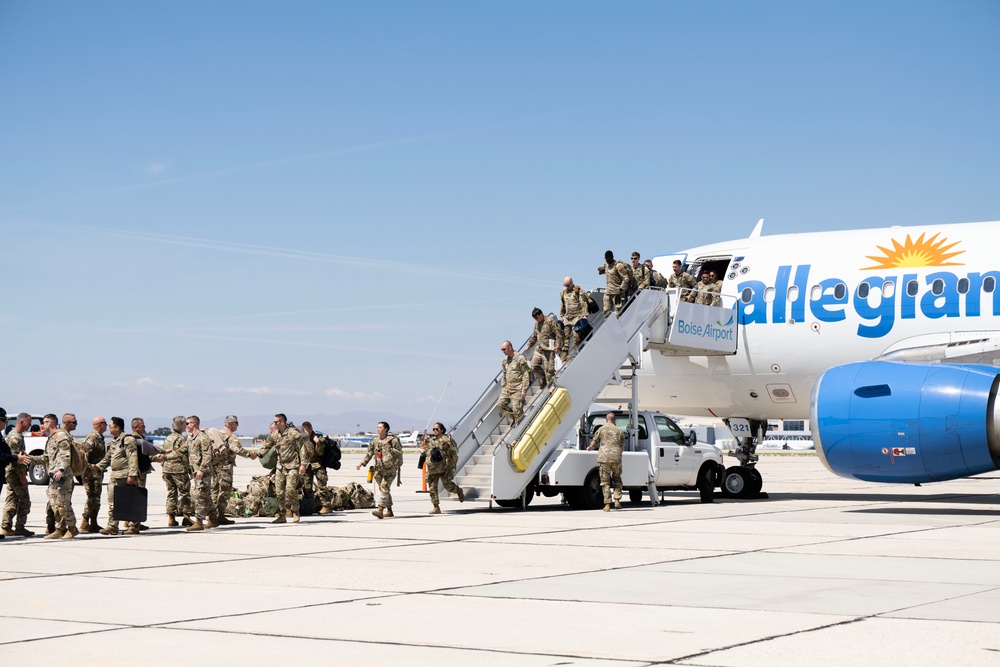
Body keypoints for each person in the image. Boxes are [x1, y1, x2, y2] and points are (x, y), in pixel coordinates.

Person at [94, 417, 140, 535]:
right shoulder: (114, 442)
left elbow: (133, 457)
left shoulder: (128, 440)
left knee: (130, 501)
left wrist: (132, 474)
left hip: (125, 476)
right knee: (113, 501)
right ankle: (112, 526)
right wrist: (98, 467)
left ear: (117, 427)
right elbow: (108, 458)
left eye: (110, 426)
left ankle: (133, 526)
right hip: (115, 476)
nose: (109, 428)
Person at [258, 413, 305, 524]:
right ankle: (282, 515)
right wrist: (257, 454)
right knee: (279, 492)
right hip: (280, 466)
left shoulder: (293, 434)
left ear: (282, 422)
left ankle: (295, 510)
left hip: (292, 466)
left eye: (276, 422)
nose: (274, 424)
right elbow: (267, 446)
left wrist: (303, 465)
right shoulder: (274, 435)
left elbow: (302, 449)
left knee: (290, 489)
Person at [212, 415, 256, 524]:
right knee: (225, 491)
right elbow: (237, 449)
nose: (238, 425)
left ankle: (212, 515)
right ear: (230, 424)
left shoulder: (218, 434)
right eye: (236, 423)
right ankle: (220, 515)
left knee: (215, 490)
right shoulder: (230, 436)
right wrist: (250, 455)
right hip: (225, 467)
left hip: (215, 467)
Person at [356, 421, 402, 519]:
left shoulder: (393, 440)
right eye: (377, 427)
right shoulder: (375, 441)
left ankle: (380, 510)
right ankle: (389, 511)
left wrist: (389, 447)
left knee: (384, 488)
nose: (378, 429)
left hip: (390, 470)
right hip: (379, 470)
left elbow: (399, 453)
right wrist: (362, 463)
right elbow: (369, 454)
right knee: (384, 490)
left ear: (386, 429)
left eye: (380, 427)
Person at [44, 413, 79, 539]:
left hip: (62, 476)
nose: (43, 425)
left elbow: (66, 454)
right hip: (54, 476)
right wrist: (28, 458)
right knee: (54, 504)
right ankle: (60, 528)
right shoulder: (51, 438)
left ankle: (72, 528)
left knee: (63, 503)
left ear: (51, 423)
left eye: (45, 422)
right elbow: (47, 458)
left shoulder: (61, 436)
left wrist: (61, 470)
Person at [1, 410, 33, 538]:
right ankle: (20, 526)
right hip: (15, 474)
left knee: (11, 500)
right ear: (21, 422)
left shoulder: (14, 435)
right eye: (28, 422)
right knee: (24, 501)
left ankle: (6, 526)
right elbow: (15, 459)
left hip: (10, 474)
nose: (30, 425)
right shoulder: (16, 437)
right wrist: (22, 475)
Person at [422, 422, 465, 514]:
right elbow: (426, 451)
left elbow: (455, 450)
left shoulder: (447, 439)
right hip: (433, 467)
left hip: (445, 466)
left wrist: (446, 444)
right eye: (433, 429)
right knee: (432, 488)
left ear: (442, 430)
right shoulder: (431, 440)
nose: (434, 431)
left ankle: (458, 490)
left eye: (437, 429)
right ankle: (436, 507)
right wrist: (426, 442)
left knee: (448, 486)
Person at [586, 412, 624, 512]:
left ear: (606, 420)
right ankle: (617, 501)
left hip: (604, 458)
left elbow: (593, 443)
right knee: (617, 479)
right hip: (616, 458)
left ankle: (607, 505)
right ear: (614, 420)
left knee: (605, 482)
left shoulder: (601, 429)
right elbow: (622, 447)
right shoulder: (619, 431)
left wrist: (589, 448)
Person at [160, 415, 192, 527]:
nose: (186, 426)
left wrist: (163, 469)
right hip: (179, 470)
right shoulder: (182, 439)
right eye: (185, 424)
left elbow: (163, 453)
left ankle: (171, 518)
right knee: (185, 493)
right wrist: (189, 470)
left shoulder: (168, 438)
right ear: (181, 425)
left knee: (171, 494)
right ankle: (186, 517)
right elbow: (184, 455)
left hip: (167, 469)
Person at [186, 415, 215, 531]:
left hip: (203, 472)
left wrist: (201, 469)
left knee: (200, 496)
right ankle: (213, 518)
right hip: (196, 471)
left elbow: (207, 455)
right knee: (205, 495)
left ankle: (199, 522)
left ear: (194, 424)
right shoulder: (192, 438)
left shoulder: (203, 438)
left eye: (188, 423)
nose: (186, 426)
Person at [79, 416, 108, 533]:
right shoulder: (92, 438)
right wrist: (85, 473)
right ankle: (85, 522)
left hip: (97, 473)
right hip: (91, 473)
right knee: (93, 498)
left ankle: (93, 522)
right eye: (105, 423)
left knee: (95, 498)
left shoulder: (100, 438)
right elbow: (84, 455)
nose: (107, 426)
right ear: (99, 425)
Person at [526, 307, 563, 390]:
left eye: (537, 317)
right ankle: (543, 379)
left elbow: (558, 334)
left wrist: (557, 346)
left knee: (549, 371)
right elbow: (534, 336)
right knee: (533, 365)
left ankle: (551, 388)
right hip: (540, 349)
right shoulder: (536, 324)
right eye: (534, 318)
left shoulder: (550, 321)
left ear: (541, 315)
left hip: (549, 350)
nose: (536, 319)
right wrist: (529, 345)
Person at [129, 417, 155, 532]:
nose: (145, 428)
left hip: (139, 472)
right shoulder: (133, 440)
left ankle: (134, 521)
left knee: (134, 497)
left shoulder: (139, 438)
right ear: (136, 427)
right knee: (138, 497)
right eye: (142, 426)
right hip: (137, 473)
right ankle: (134, 525)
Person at [300, 421, 332, 515]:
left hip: (318, 465)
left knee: (322, 486)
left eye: (307, 430)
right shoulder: (302, 439)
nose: (305, 432)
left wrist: (318, 443)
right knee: (307, 486)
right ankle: (310, 505)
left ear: (311, 429)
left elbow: (320, 453)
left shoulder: (319, 438)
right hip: (307, 465)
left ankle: (326, 506)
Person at [497, 340, 531, 425]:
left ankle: (520, 425)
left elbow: (525, 375)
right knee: (500, 404)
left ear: (510, 347)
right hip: (508, 389)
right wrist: (504, 387)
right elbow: (504, 375)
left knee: (517, 411)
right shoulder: (505, 361)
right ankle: (513, 417)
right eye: (502, 350)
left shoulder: (520, 358)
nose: (503, 351)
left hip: (517, 389)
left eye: (504, 349)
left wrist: (524, 390)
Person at [559, 276, 590, 360]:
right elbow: (562, 304)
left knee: (576, 337)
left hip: (577, 316)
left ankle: (581, 352)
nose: (567, 287)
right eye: (565, 285)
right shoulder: (563, 292)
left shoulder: (578, 291)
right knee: (565, 336)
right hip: (567, 317)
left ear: (572, 282)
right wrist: (561, 316)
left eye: (568, 285)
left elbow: (583, 303)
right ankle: (564, 354)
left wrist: (584, 316)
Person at [598, 250, 631, 317]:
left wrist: (621, 289)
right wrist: (600, 269)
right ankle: (608, 324)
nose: (607, 261)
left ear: (612, 257)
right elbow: (604, 271)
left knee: (618, 313)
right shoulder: (606, 265)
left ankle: (618, 325)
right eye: (606, 259)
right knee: (606, 311)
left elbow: (626, 278)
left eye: (609, 259)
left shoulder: (618, 266)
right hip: (608, 292)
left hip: (617, 293)